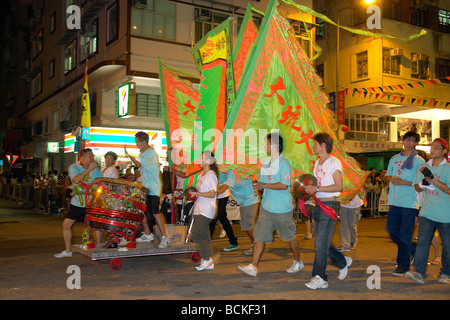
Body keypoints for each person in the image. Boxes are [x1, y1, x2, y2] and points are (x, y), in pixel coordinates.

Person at [237, 133, 303, 277]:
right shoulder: (265, 163)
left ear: (274, 146)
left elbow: (284, 185)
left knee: (289, 237)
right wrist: (258, 186)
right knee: (259, 236)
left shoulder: (284, 163)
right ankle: (253, 266)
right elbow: (262, 183)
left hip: (282, 209)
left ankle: (298, 261)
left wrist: (264, 185)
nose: (265, 146)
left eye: (267, 143)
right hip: (266, 207)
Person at [304, 132, 352, 290]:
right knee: (322, 242)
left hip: (330, 205)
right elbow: (315, 186)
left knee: (320, 244)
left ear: (323, 145)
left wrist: (317, 188)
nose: (313, 146)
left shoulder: (334, 162)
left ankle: (320, 277)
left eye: (315, 143)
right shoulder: (317, 163)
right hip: (318, 205)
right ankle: (342, 261)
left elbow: (339, 186)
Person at [405, 138, 450, 284]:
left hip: (446, 215)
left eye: (437, 147)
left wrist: (432, 179)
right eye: (431, 147)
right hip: (427, 213)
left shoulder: (448, 168)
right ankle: (419, 273)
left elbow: (448, 190)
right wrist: (422, 183)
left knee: (448, 246)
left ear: (444, 151)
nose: (432, 149)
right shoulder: (423, 166)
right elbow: (416, 188)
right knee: (422, 243)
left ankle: (446, 273)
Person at [383, 131, 425, 276]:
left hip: (409, 202)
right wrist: (390, 179)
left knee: (405, 235)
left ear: (415, 143)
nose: (408, 143)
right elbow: (386, 176)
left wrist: (404, 182)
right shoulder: (394, 158)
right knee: (392, 231)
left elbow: (421, 183)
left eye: (412, 140)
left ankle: (403, 265)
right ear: (403, 141)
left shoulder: (419, 161)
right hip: (394, 201)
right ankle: (412, 249)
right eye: (406, 140)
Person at [54, 148, 102, 258]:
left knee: (95, 227)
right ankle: (68, 250)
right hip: (77, 203)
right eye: (90, 156)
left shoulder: (96, 169)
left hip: (92, 203)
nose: (93, 158)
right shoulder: (74, 167)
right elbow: (76, 180)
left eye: (93, 156)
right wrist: (89, 169)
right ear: (82, 157)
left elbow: (101, 182)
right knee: (66, 225)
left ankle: (99, 251)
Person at [125, 131, 169, 248]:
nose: (137, 145)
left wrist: (129, 156)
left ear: (144, 142)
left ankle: (165, 237)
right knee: (142, 211)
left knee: (155, 212)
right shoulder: (144, 153)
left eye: (138, 143)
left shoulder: (150, 153)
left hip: (153, 188)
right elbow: (143, 170)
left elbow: (139, 164)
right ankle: (148, 234)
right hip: (145, 188)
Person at [214, 170, 260, 255]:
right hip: (244, 201)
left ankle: (257, 246)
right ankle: (256, 244)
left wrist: (212, 194)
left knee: (248, 225)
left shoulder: (231, 171)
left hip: (250, 200)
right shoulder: (224, 172)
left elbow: (225, 186)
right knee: (247, 225)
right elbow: (218, 182)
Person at [188, 150, 219, 271]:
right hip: (198, 209)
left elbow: (212, 193)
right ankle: (208, 261)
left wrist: (197, 193)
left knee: (195, 234)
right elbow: (200, 193)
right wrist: (193, 193)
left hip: (206, 210)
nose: (198, 161)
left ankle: (207, 258)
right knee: (205, 237)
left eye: (201, 158)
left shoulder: (211, 174)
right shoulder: (201, 175)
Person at [209, 171, 239, 252]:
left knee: (213, 219)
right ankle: (233, 242)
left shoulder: (225, 166)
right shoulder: (211, 167)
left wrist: (211, 194)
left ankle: (206, 245)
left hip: (222, 196)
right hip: (215, 195)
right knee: (223, 219)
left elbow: (225, 185)